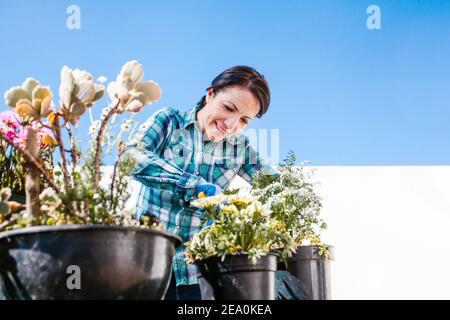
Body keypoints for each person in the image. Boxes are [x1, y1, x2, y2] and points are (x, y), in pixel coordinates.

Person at [127, 65, 276, 300]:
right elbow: (132, 157)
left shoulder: (240, 149)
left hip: (194, 277)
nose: (230, 124)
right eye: (228, 108)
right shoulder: (169, 122)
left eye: (243, 120)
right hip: (143, 267)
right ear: (210, 94)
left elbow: (276, 187)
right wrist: (192, 185)